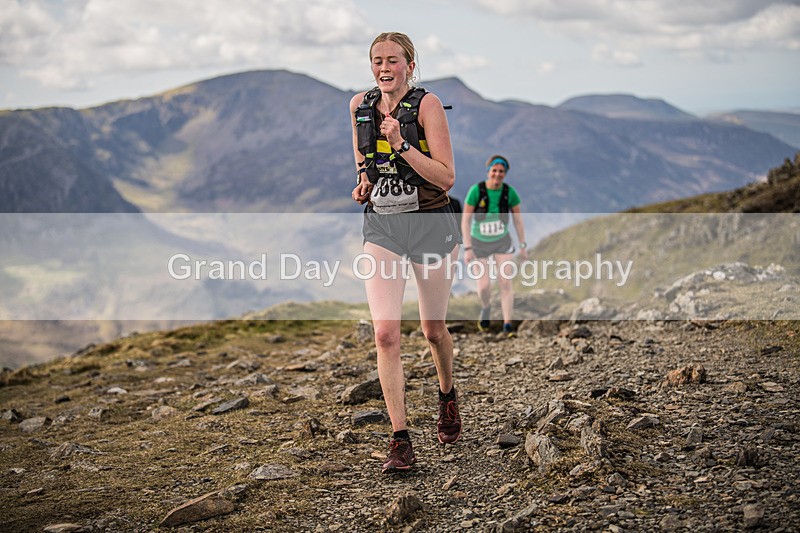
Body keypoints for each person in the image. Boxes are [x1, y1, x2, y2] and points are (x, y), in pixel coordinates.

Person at [350, 32, 462, 474]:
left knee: (433, 330)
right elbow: (362, 161)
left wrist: (400, 143)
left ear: (410, 65)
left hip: (431, 224)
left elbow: (447, 177)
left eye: (392, 60)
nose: (384, 68)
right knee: (385, 334)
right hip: (383, 226)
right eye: (377, 60)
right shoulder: (359, 105)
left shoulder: (427, 105)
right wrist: (363, 183)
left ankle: (447, 395)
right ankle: (400, 440)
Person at [461, 155, 528, 335]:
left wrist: (523, 245)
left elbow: (518, 221)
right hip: (478, 243)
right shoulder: (476, 191)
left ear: (505, 174)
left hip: (502, 242)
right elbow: (465, 221)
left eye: (501, 171)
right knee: (484, 286)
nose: (497, 174)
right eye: (494, 170)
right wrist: (467, 248)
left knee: (505, 282)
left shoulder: (509, 193)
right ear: (489, 171)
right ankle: (486, 307)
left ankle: (507, 324)